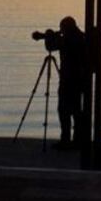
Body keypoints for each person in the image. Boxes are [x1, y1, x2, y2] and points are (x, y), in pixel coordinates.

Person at [41, 16, 88, 149]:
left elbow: (51, 46)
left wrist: (49, 34)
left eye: (62, 28)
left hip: (68, 80)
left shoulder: (67, 40)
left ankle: (66, 140)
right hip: (80, 80)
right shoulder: (81, 37)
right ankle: (78, 139)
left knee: (64, 110)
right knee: (77, 111)